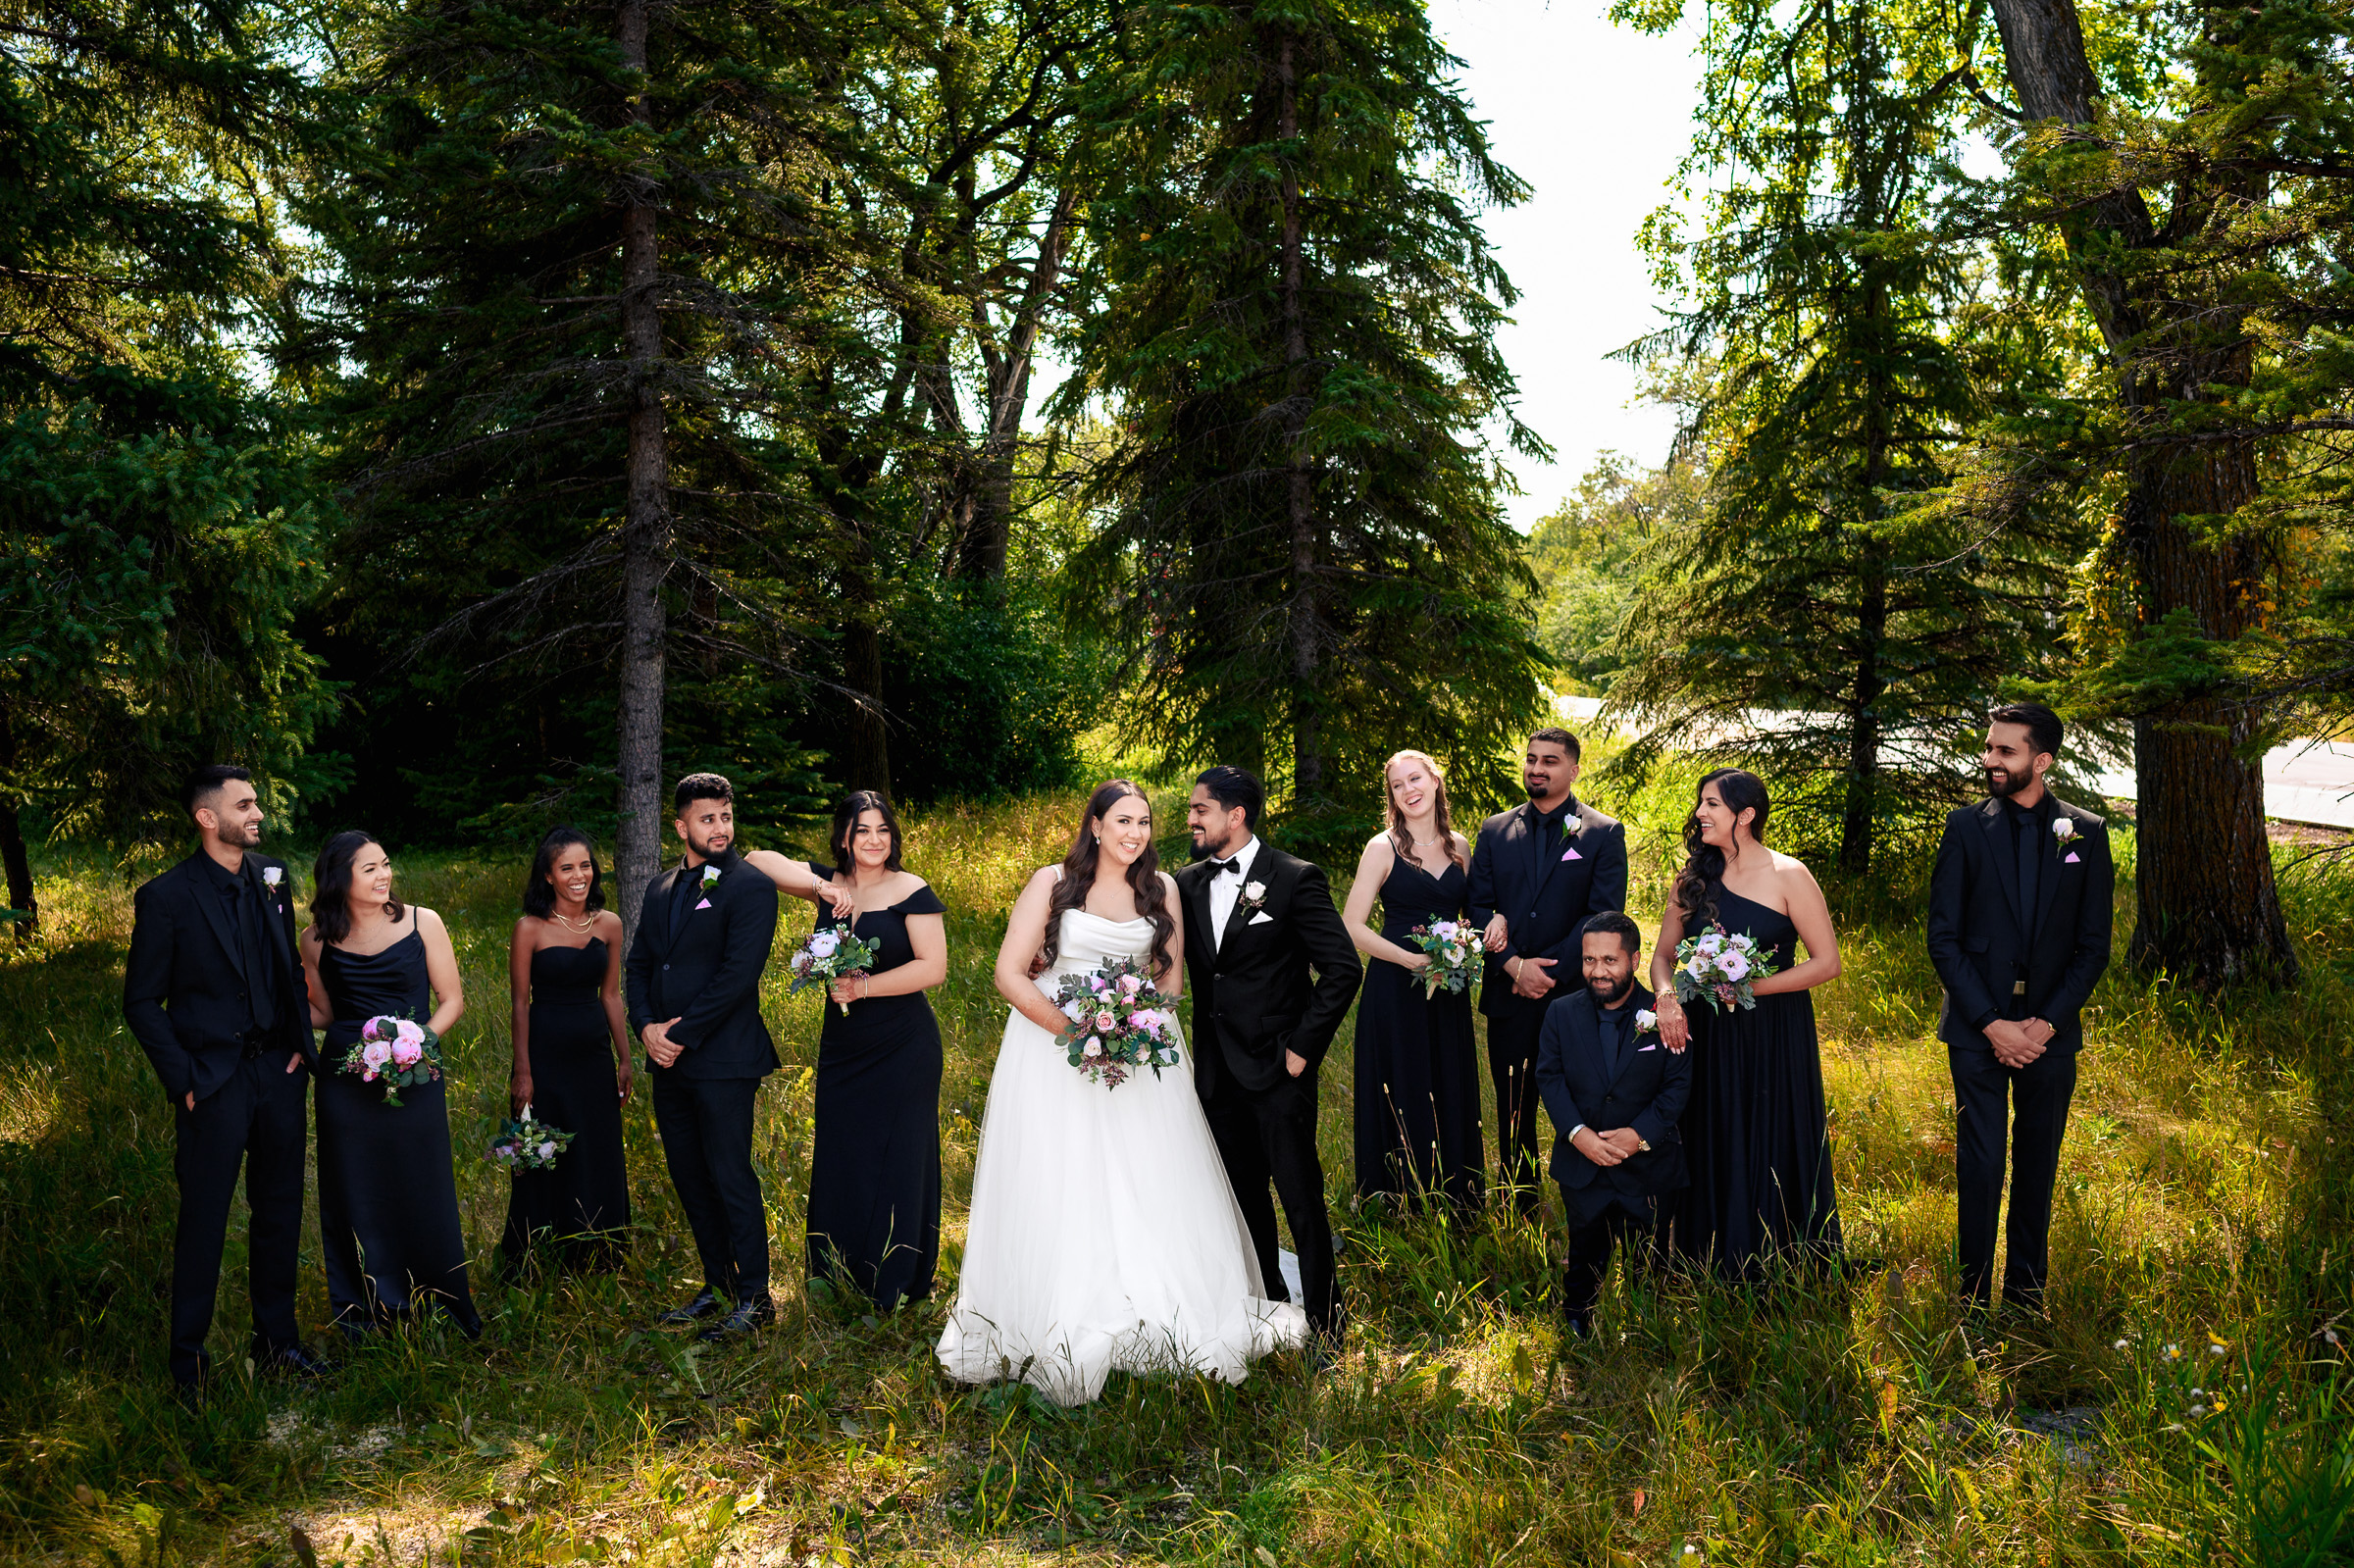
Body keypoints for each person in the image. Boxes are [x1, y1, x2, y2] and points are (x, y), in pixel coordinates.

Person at [938, 780, 1308, 1404]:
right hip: (1053, 1052)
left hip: (1136, 1055)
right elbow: (1008, 971)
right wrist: (1077, 1032)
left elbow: (1169, 985)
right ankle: (1051, 1303)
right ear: (1095, 825)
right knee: (1062, 1172)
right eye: (1123, 821)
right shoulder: (1051, 882)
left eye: (1144, 822)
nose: (1135, 833)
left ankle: (1154, 1292)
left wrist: (1131, 1031)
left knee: (1148, 1174)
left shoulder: (1160, 890)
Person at [122, 765, 327, 1401]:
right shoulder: (167, 897)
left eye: (256, 801)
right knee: (204, 1221)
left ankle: (277, 1343)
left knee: (280, 1212)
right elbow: (140, 1002)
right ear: (207, 817)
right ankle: (189, 1366)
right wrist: (183, 1077)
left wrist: (300, 1044)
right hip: (210, 1083)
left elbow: (287, 966)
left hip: (278, 1073)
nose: (257, 811)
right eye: (245, 803)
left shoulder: (272, 876)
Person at [1925, 702, 2114, 1314]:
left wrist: (2046, 1022)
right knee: (1980, 1164)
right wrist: (1992, 1024)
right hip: (1978, 1028)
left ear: (2043, 760)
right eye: (1989, 748)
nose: (1990, 761)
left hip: (2050, 1031)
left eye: (2006, 751)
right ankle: (1972, 1296)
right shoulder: (1964, 828)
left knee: (2039, 1161)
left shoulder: (2085, 831)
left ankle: (2028, 1296)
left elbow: (2093, 947)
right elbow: (1944, 939)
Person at [1176, 767, 1363, 1340]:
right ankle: (1269, 1307)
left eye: (1200, 809)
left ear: (1236, 815)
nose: (1190, 819)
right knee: (1243, 1196)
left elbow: (1341, 969)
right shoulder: (1184, 883)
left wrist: (1302, 1051)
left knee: (1299, 1194)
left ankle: (1329, 1323)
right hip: (1215, 1071)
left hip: (1279, 1068)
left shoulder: (1294, 878)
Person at [749, 792, 947, 1311]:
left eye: (883, 830)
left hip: (904, 1045)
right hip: (844, 1046)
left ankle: (898, 1279)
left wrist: (864, 988)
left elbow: (934, 968)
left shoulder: (912, 890)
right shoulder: (828, 885)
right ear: (844, 838)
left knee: (900, 1155)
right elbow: (755, 862)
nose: (875, 840)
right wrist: (822, 887)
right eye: (863, 831)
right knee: (845, 1152)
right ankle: (839, 1274)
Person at [1650, 770, 1842, 1279]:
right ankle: (1705, 1259)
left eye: (1711, 804)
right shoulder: (1691, 877)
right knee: (1709, 1130)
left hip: (1773, 1031)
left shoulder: (1789, 875)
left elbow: (1826, 963)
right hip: (1704, 1033)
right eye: (1700, 803)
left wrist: (1746, 988)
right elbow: (1663, 957)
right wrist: (1667, 998)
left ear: (1746, 815)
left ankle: (1780, 1259)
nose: (1699, 813)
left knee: (1770, 1131)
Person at [301, 831, 481, 1335]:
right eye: (370, 869)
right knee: (356, 1188)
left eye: (385, 865)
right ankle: (369, 1308)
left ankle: (437, 1300)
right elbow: (324, 1012)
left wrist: (415, 1041)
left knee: (420, 1183)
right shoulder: (314, 940)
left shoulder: (424, 923)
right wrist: (279, 1005)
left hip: (414, 1073)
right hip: (346, 1078)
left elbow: (452, 1001)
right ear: (340, 879)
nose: (385, 876)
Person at [625, 774, 782, 1340]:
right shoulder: (660, 887)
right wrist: (645, 1027)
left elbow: (737, 977)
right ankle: (716, 1288)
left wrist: (680, 1033)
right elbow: (641, 964)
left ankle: (755, 1299)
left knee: (730, 1175)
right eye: (707, 818)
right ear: (681, 826)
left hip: (725, 1060)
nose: (720, 828)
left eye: (725, 816)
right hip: (667, 1061)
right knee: (690, 1177)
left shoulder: (750, 886)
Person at [1467, 729, 1629, 1215]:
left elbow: (1601, 917)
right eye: (1532, 759)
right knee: (1512, 1106)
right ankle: (1520, 1209)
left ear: (1573, 770)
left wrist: (1550, 973)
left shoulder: (1602, 832)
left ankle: (1587, 1210)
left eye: (1551, 761)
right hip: (1509, 993)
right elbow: (1477, 906)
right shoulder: (1495, 830)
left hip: (1573, 999)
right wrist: (1514, 965)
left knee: (1580, 1105)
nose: (1538, 769)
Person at [1534, 913, 1688, 1336]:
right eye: (1588, 961)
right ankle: (1577, 1318)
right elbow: (1549, 1077)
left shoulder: (1665, 1016)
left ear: (1635, 960)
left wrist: (1638, 1137)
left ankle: (1647, 1326)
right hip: (1583, 1164)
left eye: (1609, 960)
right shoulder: (1561, 1013)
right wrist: (1578, 1134)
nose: (1597, 972)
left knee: (1650, 1258)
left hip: (1649, 1167)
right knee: (1585, 1248)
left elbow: (1677, 1088)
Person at [1342, 750, 1482, 1212]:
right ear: (1393, 796)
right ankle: (1397, 1197)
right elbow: (1354, 925)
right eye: (1398, 785)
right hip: (1396, 988)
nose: (1409, 790)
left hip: (1446, 989)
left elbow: (1468, 918)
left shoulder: (1459, 846)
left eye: (1415, 779)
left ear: (1436, 781)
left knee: (1447, 1078)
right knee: (1401, 1081)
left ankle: (1454, 1196)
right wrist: (1407, 959)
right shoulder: (1382, 848)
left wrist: (1464, 948)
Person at [498, 827, 633, 1275]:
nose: (580, 876)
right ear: (549, 876)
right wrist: (523, 1071)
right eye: (567, 868)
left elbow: (611, 995)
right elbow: (519, 1002)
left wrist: (626, 1057)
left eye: (586, 865)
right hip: (546, 1054)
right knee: (546, 1148)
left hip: (593, 1053)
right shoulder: (529, 929)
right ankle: (539, 1252)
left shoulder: (609, 923)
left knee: (596, 1146)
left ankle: (598, 1249)